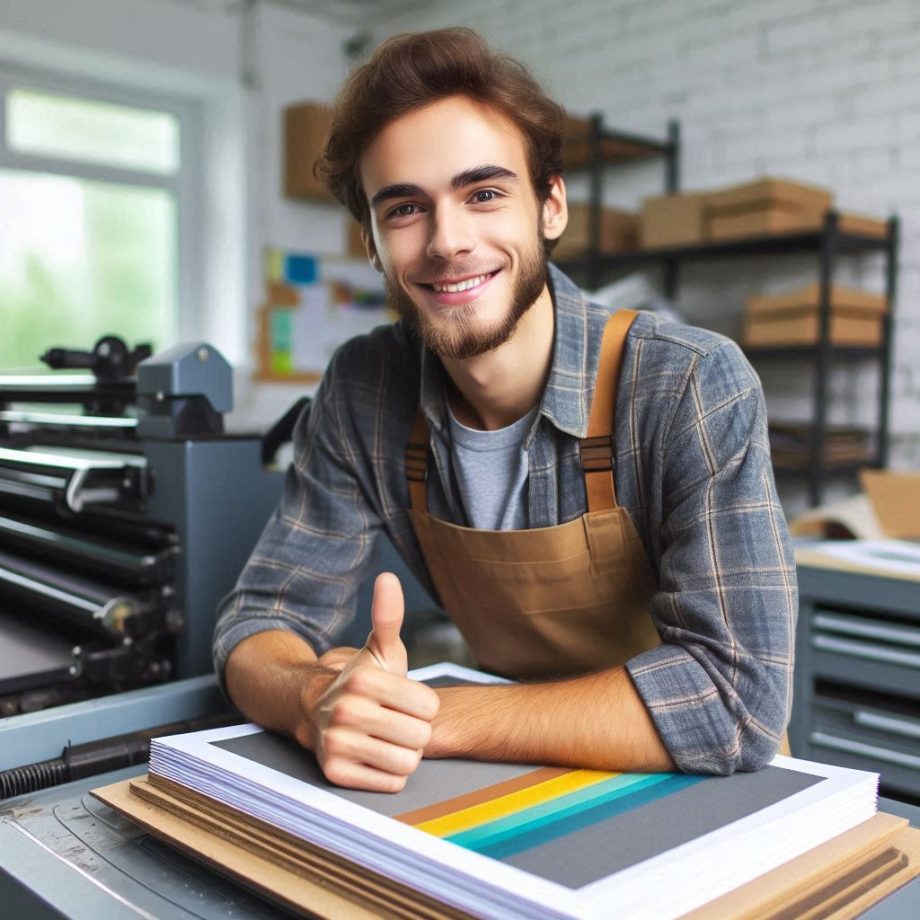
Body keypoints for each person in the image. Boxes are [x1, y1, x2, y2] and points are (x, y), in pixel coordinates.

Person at [213, 27, 796, 793]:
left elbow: (734, 702)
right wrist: (313, 698)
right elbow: (258, 620)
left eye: (483, 194)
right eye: (405, 210)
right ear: (373, 245)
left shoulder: (686, 384)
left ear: (550, 205)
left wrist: (429, 717)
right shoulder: (365, 389)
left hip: (706, 783)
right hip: (519, 779)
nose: (448, 242)